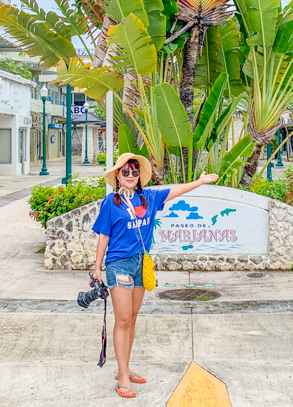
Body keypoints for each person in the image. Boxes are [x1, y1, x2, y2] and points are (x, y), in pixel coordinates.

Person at [91, 153, 218, 399]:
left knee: (133, 317)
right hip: (119, 265)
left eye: (134, 172)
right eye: (125, 172)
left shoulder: (148, 197)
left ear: (139, 177)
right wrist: (97, 268)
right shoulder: (111, 203)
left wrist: (199, 182)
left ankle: (124, 368)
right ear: (117, 175)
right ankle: (123, 377)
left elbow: (175, 190)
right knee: (123, 319)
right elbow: (103, 236)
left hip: (141, 263)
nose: (130, 176)